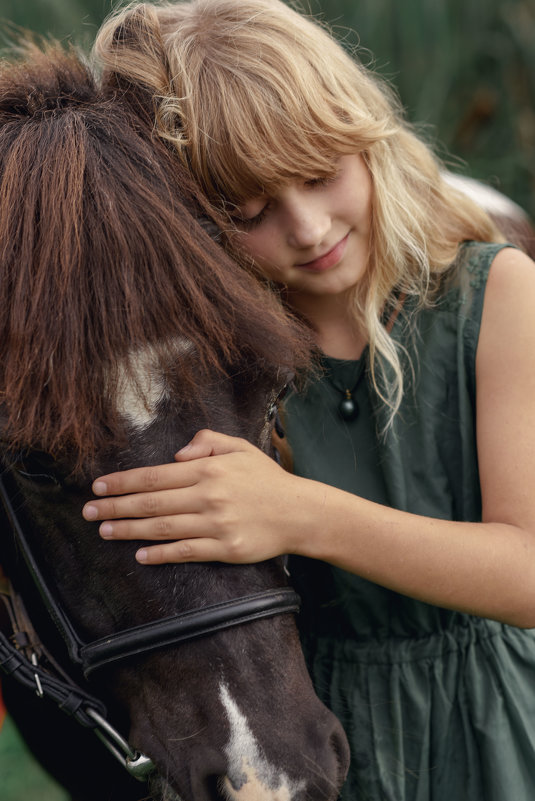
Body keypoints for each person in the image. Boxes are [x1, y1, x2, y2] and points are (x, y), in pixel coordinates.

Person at [84, 1, 535, 798]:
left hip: (492, 735)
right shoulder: (212, 362)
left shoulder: (494, 296)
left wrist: (298, 511)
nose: (306, 226)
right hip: (312, 742)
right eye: (249, 211)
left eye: (322, 172)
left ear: (366, 135)